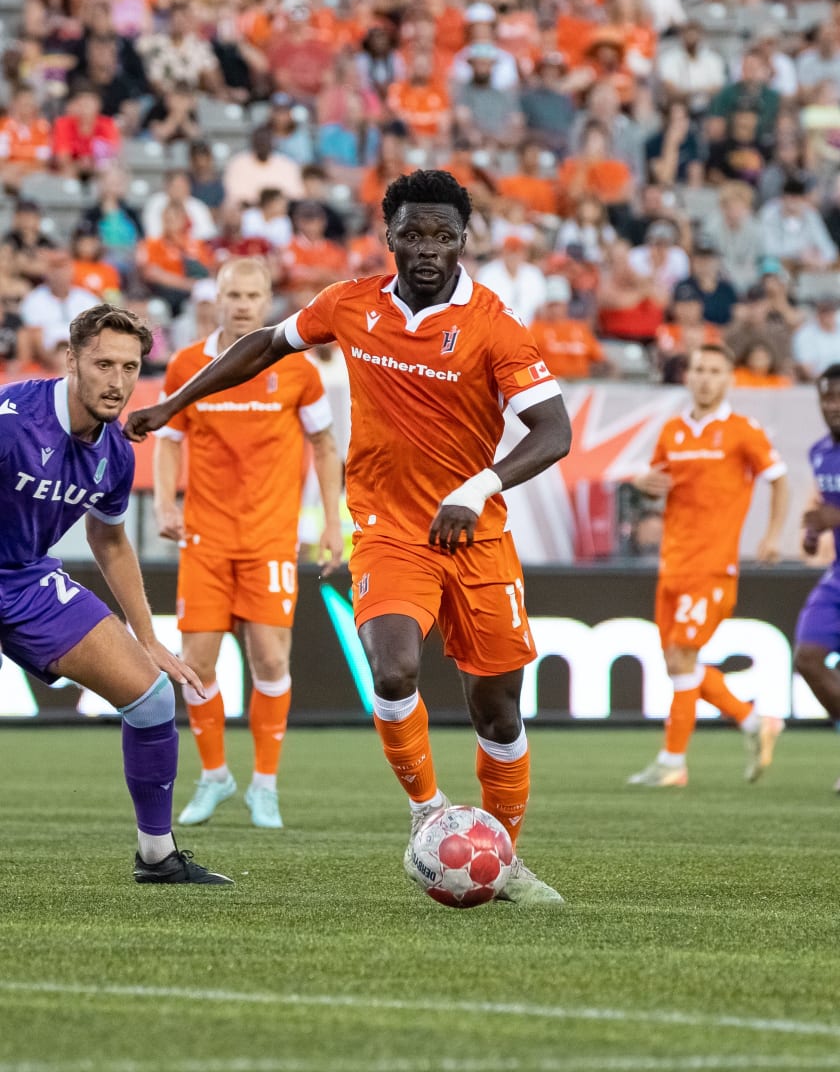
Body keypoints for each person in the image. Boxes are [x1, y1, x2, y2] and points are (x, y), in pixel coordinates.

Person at [125, 169, 573, 905]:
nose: (427, 247)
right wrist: (172, 402)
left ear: (465, 240)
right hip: (390, 530)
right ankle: (428, 814)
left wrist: (478, 486)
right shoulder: (351, 304)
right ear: (388, 235)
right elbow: (265, 345)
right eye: (413, 233)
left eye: (443, 234)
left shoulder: (494, 324)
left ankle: (504, 857)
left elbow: (553, 430)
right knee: (392, 671)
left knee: (498, 712)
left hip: (477, 536)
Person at [0, 303, 230, 885]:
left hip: (25, 580)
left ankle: (156, 856)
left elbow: (110, 540)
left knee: (152, 698)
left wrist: (148, 637)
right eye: (103, 364)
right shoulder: (11, 420)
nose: (118, 381)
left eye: (130, 368)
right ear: (71, 359)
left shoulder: (117, 452)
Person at [153, 257, 344, 828]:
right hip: (205, 538)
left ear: (267, 300)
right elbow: (167, 439)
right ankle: (215, 775)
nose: (241, 304)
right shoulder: (189, 365)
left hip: (269, 539)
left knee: (270, 657)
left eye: (252, 295)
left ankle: (265, 784)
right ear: (216, 297)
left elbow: (326, 443)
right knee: (195, 663)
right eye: (232, 294)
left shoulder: (296, 368)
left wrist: (332, 522)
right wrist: (165, 503)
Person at [627, 343, 789, 787]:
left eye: (715, 370)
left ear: (729, 378)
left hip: (714, 565)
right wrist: (642, 483)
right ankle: (754, 721)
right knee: (678, 663)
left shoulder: (743, 431)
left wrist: (773, 536)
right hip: (672, 564)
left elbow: (779, 481)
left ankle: (672, 761)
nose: (705, 378)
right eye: (698, 369)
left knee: (683, 658)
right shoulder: (673, 431)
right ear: (688, 376)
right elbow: (654, 485)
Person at [794, 365, 840, 789]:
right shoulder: (820, 452)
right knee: (807, 658)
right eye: (827, 398)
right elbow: (825, 511)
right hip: (837, 575)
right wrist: (814, 531)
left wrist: (834, 516)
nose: (833, 406)